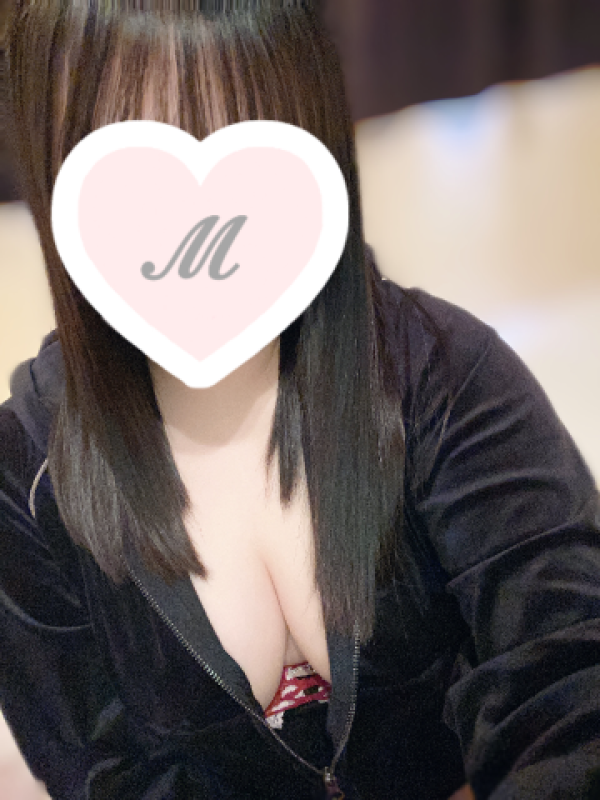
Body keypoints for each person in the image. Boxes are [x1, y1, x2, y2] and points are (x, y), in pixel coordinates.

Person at [1, 2, 599, 798]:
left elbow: (569, 679)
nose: (199, 211)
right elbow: (105, 776)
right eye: (135, 148)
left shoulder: (442, 372)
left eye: (240, 132)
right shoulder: (26, 477)